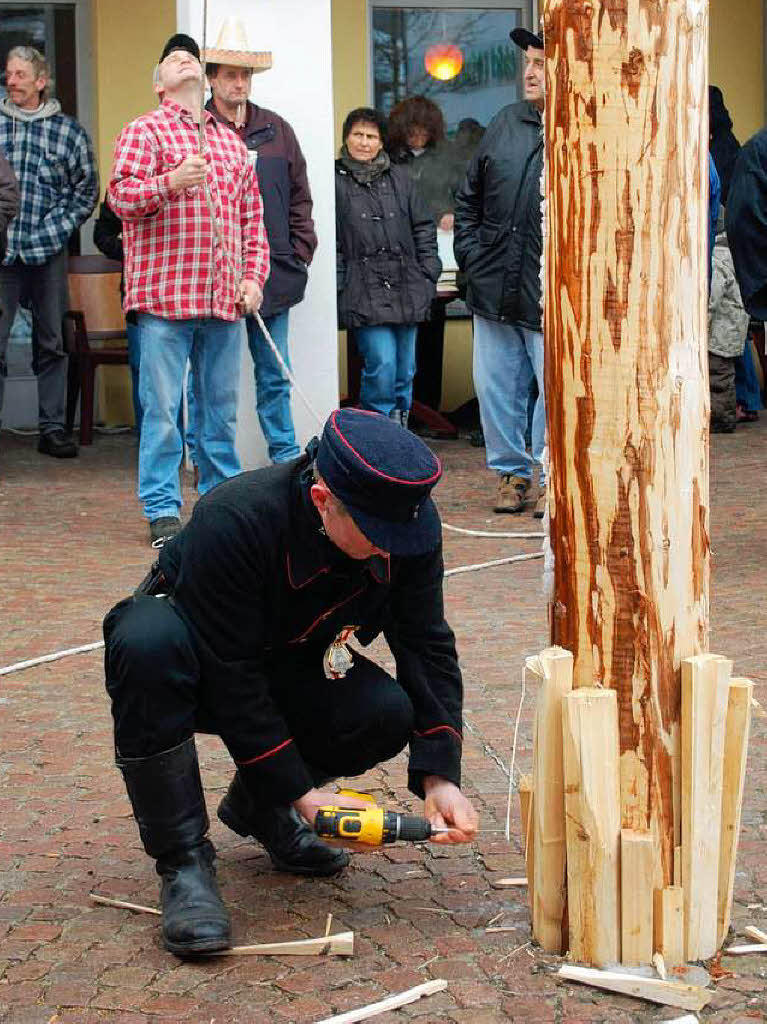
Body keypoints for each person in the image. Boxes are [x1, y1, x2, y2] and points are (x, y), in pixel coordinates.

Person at [103, 407, 479, 956]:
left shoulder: (403, 523)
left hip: (290, 657)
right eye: (377, 536)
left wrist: (440, 775)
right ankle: (183, 862)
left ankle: (261, 808)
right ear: (323, 501)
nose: (392, 549)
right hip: (198, 664)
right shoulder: (235, 516)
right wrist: (306, 795)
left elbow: (426, 642)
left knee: (382, 712)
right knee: (145, 641)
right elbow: (232, 676)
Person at [108, 33, 269, 548]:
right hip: (163, 299)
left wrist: (253, 278)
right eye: (173, 60)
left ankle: (220, 506)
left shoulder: (229, 142)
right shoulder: (143, 131)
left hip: (222, 299)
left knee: (218, 411)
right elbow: (120, 198)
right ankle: (162, 509)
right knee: (161, 412)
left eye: (190, 59)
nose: (185, 62)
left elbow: (252, 221)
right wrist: (171, 181)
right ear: (159, 83)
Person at [204, 20, 317, 463]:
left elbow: (300, 197)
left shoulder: (277, 130)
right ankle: (216, 468)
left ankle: (285, 461)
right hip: (213, 276)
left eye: (245, 74)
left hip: (274, 274)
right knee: (216, 383)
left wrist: (298, 254)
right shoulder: (196, 131)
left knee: (274, 374)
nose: (238, 82)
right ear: (211, 77)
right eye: (229, 73)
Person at [453, 27, 546, 517]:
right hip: (493, 286)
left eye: (541, 62)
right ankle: (512, 474)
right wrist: (471, 255)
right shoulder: (505, 121)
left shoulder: (583, 129)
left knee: (552, 391)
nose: (529, 72)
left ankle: (552, 473)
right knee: (496, 390)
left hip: (550, 291)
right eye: (527, 61)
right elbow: (468, 197)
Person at [0, 46, 98, 458]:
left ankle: (53, 430)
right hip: (1, 253)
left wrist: (52, 232)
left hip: (48, 251)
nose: (12, 81)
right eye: (9, 73)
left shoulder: (69, 132)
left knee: (52, 343)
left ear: (42, 81)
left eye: (21, 74)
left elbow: (86, 191)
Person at [336, 107, 441, 426]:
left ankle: (400, 432)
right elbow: (331, 238)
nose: (364, 142)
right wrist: (340, 283)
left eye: (371, 136)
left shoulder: (401, 178)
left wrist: (428, 271)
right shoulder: (333, 180)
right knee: (381, 362)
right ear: (346, 138)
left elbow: (424, 226)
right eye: (358, 135)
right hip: (362, 288)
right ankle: (377, 432)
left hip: (407, 285)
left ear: (381, 142)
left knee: (405, 368)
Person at [708, 210, 749, 432]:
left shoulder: (716, 258)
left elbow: (712, 298)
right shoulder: (734, 252)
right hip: (733, 328)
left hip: (720, 331)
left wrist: (702, 323)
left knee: (718, 378)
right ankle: (725, 416)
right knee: (726, 375)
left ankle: (722, 420)